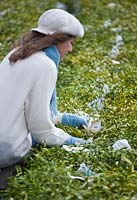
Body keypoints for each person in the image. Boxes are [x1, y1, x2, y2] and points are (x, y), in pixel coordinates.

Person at [0, 8, 89, 189]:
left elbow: (21, 104)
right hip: (8, 151)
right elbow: (41, 131)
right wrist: (74, 142)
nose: (70, 49)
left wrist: (63, 118)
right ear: (58, 39)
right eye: (70, 42)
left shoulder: (16, 53)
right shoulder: (45, 65)